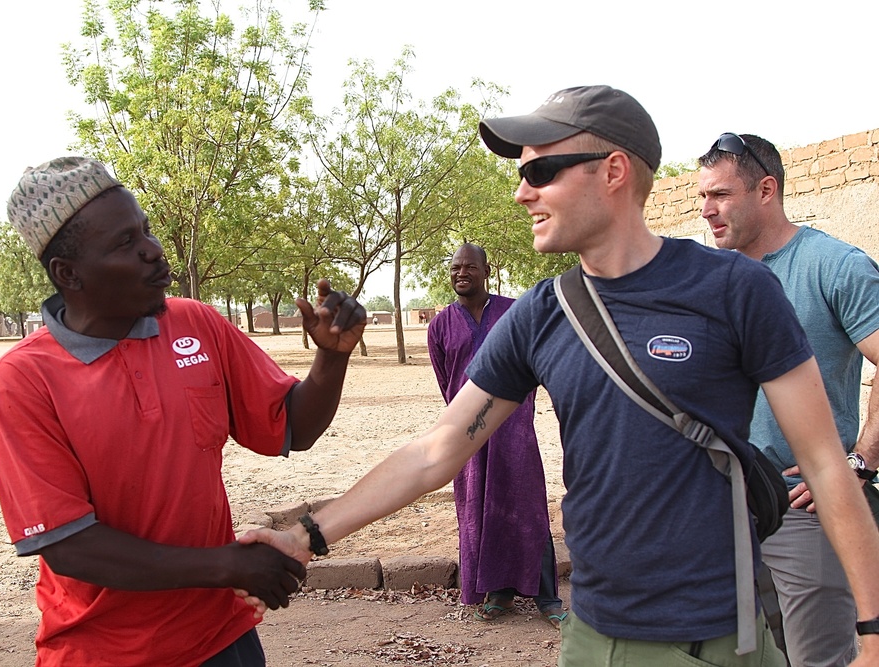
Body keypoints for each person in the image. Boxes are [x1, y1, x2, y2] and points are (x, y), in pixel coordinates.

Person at [239, 85, 879, 666]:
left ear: (614, 172)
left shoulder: (736, 290)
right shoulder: (543, 314)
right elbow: (436, 451)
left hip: (719, 637)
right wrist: (310, 532)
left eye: (541, 171)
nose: (522, 192)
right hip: (594, 637)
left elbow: (824, 464)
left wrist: (873, 632)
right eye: (521, 175)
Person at [0, 156, 365, 667]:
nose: (152, 251)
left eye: (145, 230)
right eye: (124, 243)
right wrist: (227, 566)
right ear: (67, 273)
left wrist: (332, 357)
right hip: (104, 651)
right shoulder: (25, 380)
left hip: (221, 639)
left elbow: (295, 424)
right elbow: (70, 547)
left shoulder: (195, 323)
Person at [698, 133, 879, 666]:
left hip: (804, 504)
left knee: (815, 658)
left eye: (721, 195)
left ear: (767, 189)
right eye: (701, 196)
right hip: (721, 507)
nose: (706, 210)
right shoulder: (709, 279)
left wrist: (861, 459)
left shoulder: (835, 266)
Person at [427, 242, 564, 626]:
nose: (461, 274)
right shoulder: (440, 325)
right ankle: (498, 592)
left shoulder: (513, 313)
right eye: (455, 267)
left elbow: (537, 363)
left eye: (469, 267)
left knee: (528, 508)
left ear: (487, 271)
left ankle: (548, 598)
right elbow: (447, 382)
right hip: (465, 437)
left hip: (514, 431)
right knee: (479, 511)